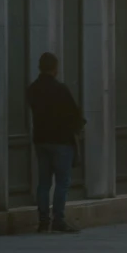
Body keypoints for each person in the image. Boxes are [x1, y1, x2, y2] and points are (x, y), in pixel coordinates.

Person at [27, 52, 84, 235]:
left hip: (41, 140)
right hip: (61, 141)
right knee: (62, 182)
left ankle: (43, 222)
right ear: (55, 68)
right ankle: (58, 220)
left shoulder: (33, 89)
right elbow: (74, 115)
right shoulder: (60, 89)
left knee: (43, 182)